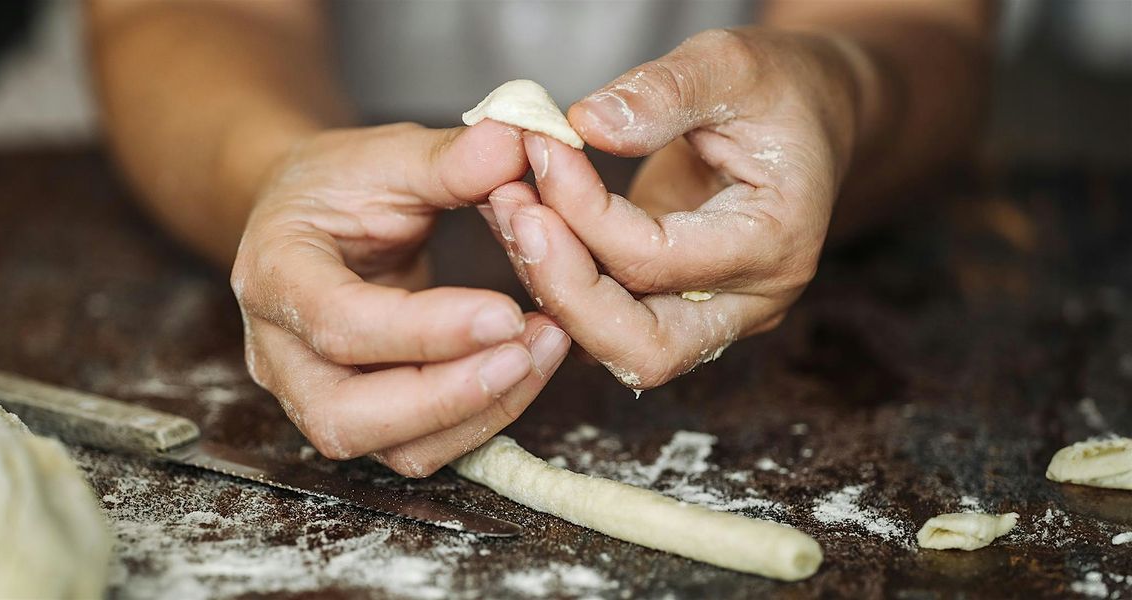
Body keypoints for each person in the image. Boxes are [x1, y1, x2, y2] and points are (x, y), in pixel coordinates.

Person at [88, 0, 994, 477]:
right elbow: (178, 11)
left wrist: (838, 95)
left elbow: (922, 22)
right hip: (292, 119)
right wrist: (271, 172)